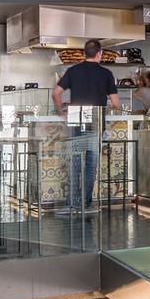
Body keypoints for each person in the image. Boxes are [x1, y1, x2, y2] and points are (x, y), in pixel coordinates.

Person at [54, 38, 119, 213]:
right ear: (99, 54)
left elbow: (56, 93)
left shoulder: (73, 71)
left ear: (84, 54)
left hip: (76, 120)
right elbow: (115, 103)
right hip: (95, 122)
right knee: (90, 165)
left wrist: (60, 111)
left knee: (74, 162)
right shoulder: (106, 74)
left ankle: (71, 203)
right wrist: (105, 104)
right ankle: (86, 204)